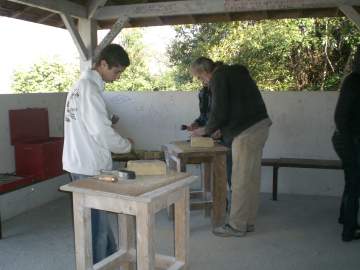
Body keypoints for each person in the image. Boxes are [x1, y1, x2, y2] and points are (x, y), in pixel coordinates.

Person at [62, 44, 133, 262]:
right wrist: (126, 145)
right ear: (103, 64)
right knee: (96, 227)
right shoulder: (89, 90)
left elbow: (91, 125)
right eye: (116, 71)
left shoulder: (79, 86)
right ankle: (99, 265)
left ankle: (111, 260)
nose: (118, 77)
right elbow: (101, 132)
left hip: (79, 161)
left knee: (99, 219)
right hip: (89, 166)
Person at [190, 57, 271, 237]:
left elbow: (219, 111)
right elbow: (233, 109)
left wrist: (205, 130)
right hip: (260, 126)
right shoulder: (234, 73)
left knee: (240, 180)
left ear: (205, 71)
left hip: (246, 132)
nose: (202, 82)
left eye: (200, 78)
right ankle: (247, 222)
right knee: (251, 178)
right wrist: (221, 130)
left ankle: (236, 226)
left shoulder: (218, 78)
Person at [332, 46, 360, 242]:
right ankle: (349, 230)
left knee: (352, 181)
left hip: (348, 139)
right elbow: (340, 117)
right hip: (348, 140)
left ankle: (345, 219)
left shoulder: (354, 80)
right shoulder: (355, 81)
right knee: (354, 184)